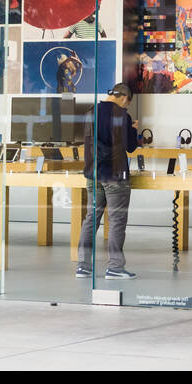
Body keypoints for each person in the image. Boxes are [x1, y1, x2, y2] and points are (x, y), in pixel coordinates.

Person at [76, 82, 141, 278]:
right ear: (124, 97)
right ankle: (115, 267)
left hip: (93, 175)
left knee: (91, 219)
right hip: (115, 176)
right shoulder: (122, 116)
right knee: (117, 221)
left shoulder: (90, 112)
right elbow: (130, 147)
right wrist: (133, 130)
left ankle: (83, 266)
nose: (126, 106)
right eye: (127, 103)